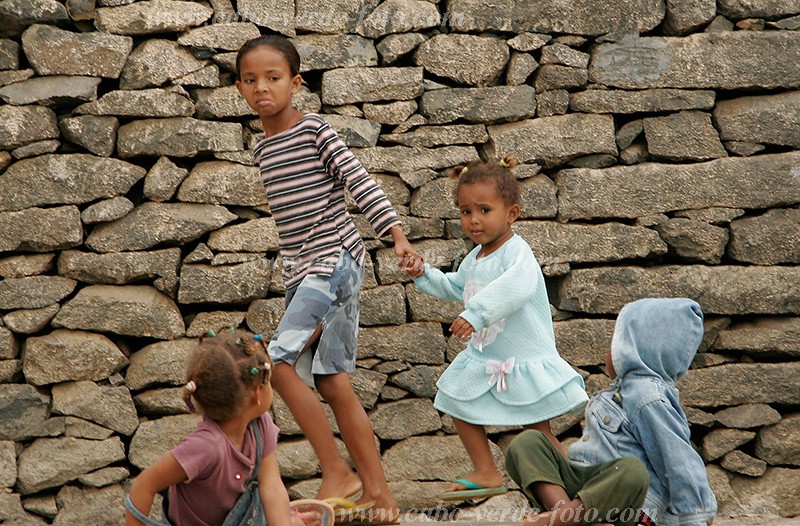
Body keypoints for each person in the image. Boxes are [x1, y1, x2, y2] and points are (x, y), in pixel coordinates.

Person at [235, 35, 419, 522]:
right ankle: (381, 496)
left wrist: (396, 236)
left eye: (273, 78)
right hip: (303, 271)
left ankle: (337, 469)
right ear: (239, 88)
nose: (262, 88)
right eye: (250, 80)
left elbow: (358, 181)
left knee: (278, 361)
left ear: (295, 83)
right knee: (333, 381)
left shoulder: (316, 130)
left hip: (334, 262)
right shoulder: (263, 148)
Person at [404, 156, 588, 501]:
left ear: (511, 214)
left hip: (523, 358)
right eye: (465, 211)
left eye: (484, 210)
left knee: (539, 432)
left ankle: (580, 483)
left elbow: (514, 288)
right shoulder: (476, 258)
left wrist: (476, 315)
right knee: (456, 398)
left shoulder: (517, 253)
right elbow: (456, 287)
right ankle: (486, 470)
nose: (473, 220)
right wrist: (423, 274)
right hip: (488, 358)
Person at [506, 297, 717, 526]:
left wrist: (694, 518)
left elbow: (679, 461)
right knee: (527, 443)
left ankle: (560, 520)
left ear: (638, 350)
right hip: (587, 491)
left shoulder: (648, 397)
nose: (609, 351)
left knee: (632, 471)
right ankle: (566, 517)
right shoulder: (620, 390)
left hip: (627, 503)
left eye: (616, 343)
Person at [125, 329, 334, 526]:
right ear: (257, 394)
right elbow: (145, 484)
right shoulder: (206, 447)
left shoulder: (261, 428)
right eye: (269, 381)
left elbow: (272, 487)